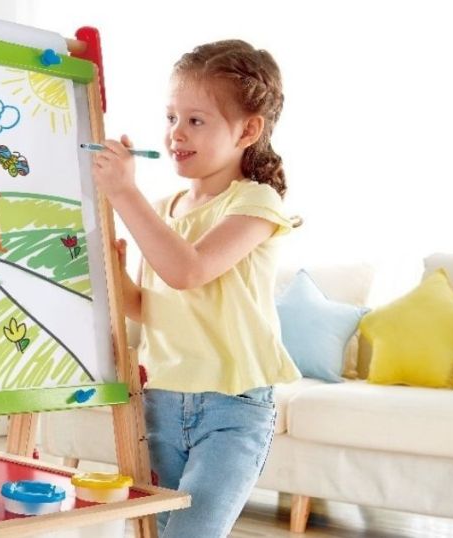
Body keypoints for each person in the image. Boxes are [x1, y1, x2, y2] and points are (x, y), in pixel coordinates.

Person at [90, 40, 301, 537]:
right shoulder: (164, 210)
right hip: (161, 399)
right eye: (170, 118)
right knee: (155, 530)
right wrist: (118, 274)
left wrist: (124, 192)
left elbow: (189, 271)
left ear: (249, 130)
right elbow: (151, 306)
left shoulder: (255, 204)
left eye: (196, 120)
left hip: (232, 408)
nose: (175, 134)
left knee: (192, 533)